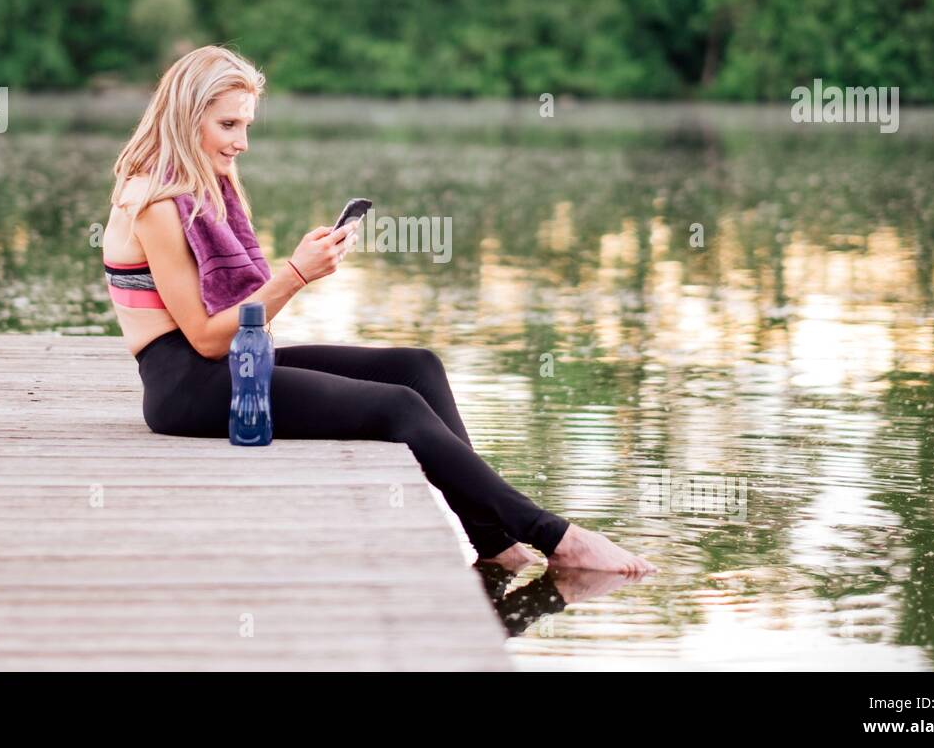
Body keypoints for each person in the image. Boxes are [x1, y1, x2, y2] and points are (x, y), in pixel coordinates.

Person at [102, 45, 654, 574]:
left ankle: (493, 540)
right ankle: (555, 536)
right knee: (396, 408)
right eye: (228, 125)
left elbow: (232, 324)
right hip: (187, 388)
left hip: (228, 368)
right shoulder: (152, 201)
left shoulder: (200, 187)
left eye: (246, 125)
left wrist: (298, 271)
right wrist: (295, 275)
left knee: (416, 367)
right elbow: (204, 339)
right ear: (185, 117)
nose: (242, 142)